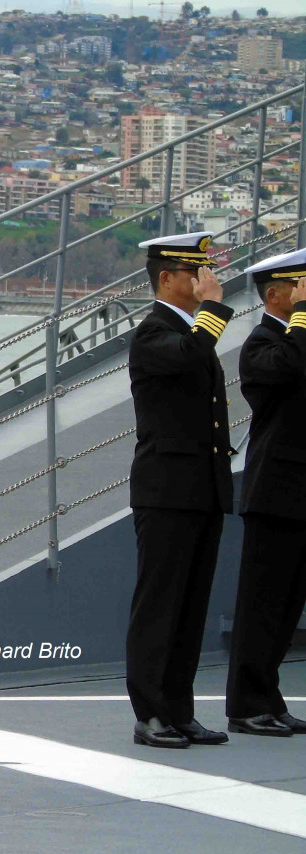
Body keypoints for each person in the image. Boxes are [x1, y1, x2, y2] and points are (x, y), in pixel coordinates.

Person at [127, 231, 234, 750]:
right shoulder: (152, 333)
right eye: (194, 272)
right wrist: (214, 307)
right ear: (166, 278)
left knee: (191, 608)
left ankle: (179, 710)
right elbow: (190, 355)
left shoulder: (189, 332)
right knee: (159, 605)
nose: (204, 279)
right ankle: (150, 714)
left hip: (200, 489)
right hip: (166, 491)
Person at [226, 249, 306, 737]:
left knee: (287, 607)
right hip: (275, 494)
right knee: (261, 606)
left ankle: (269, 698)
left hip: (299, 494)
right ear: (275, 294)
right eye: (298, 288)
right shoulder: (263, 343)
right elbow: (290, 370)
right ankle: (245, 704)